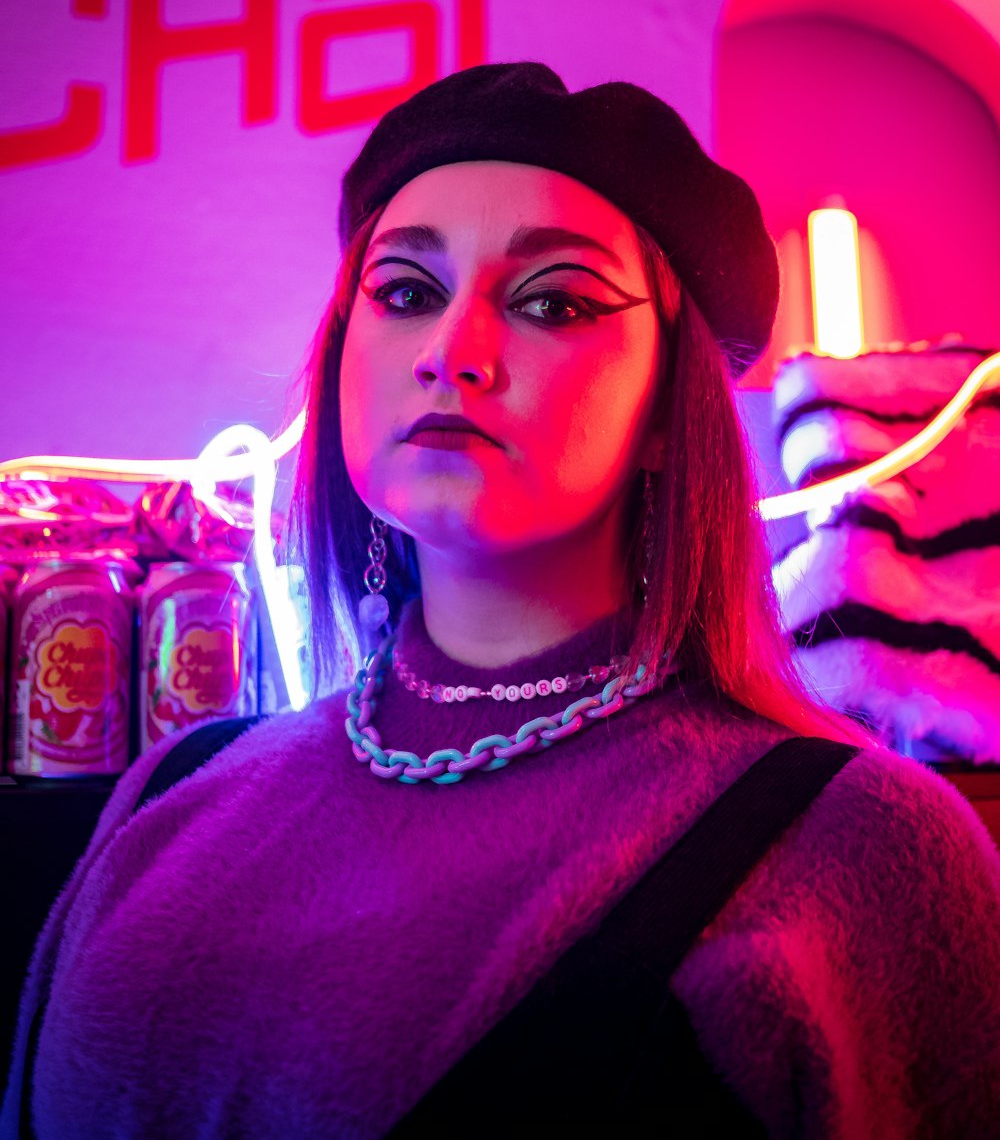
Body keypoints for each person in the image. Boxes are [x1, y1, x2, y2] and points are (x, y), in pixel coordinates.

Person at [3, 63, 1000, 1140]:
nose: (450, 353)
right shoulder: (175, 793)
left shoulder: (857, 844)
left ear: (671, 408)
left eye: (555, 300)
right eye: (403, 292)